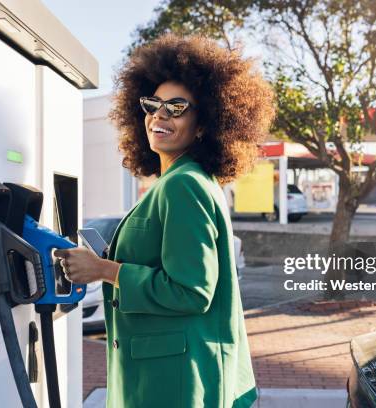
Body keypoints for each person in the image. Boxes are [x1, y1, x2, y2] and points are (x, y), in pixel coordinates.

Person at [54, 34, 275, 407]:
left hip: (174, 381)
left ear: (204, 123)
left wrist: (105, 270)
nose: (160, 114)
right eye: (153, 104)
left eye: (177, 107)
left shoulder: (183, 186)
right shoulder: (184, 181)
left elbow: (191, 291)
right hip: (172, 374)